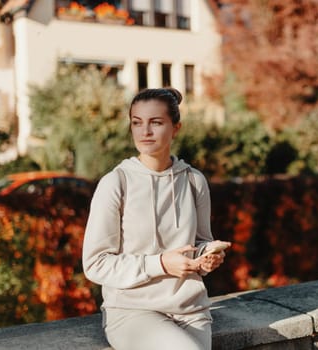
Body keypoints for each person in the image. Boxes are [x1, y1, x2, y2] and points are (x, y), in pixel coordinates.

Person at [82, 87, 230, 350]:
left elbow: (199, 241)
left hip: (191, 311)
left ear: (176, 128)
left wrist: (207, 257)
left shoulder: (193, 180)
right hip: (132, 312)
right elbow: (95, 264)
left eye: (156, 123)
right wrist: (161, 264)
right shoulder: (116, 183)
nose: (145, 132)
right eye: (137, 123)